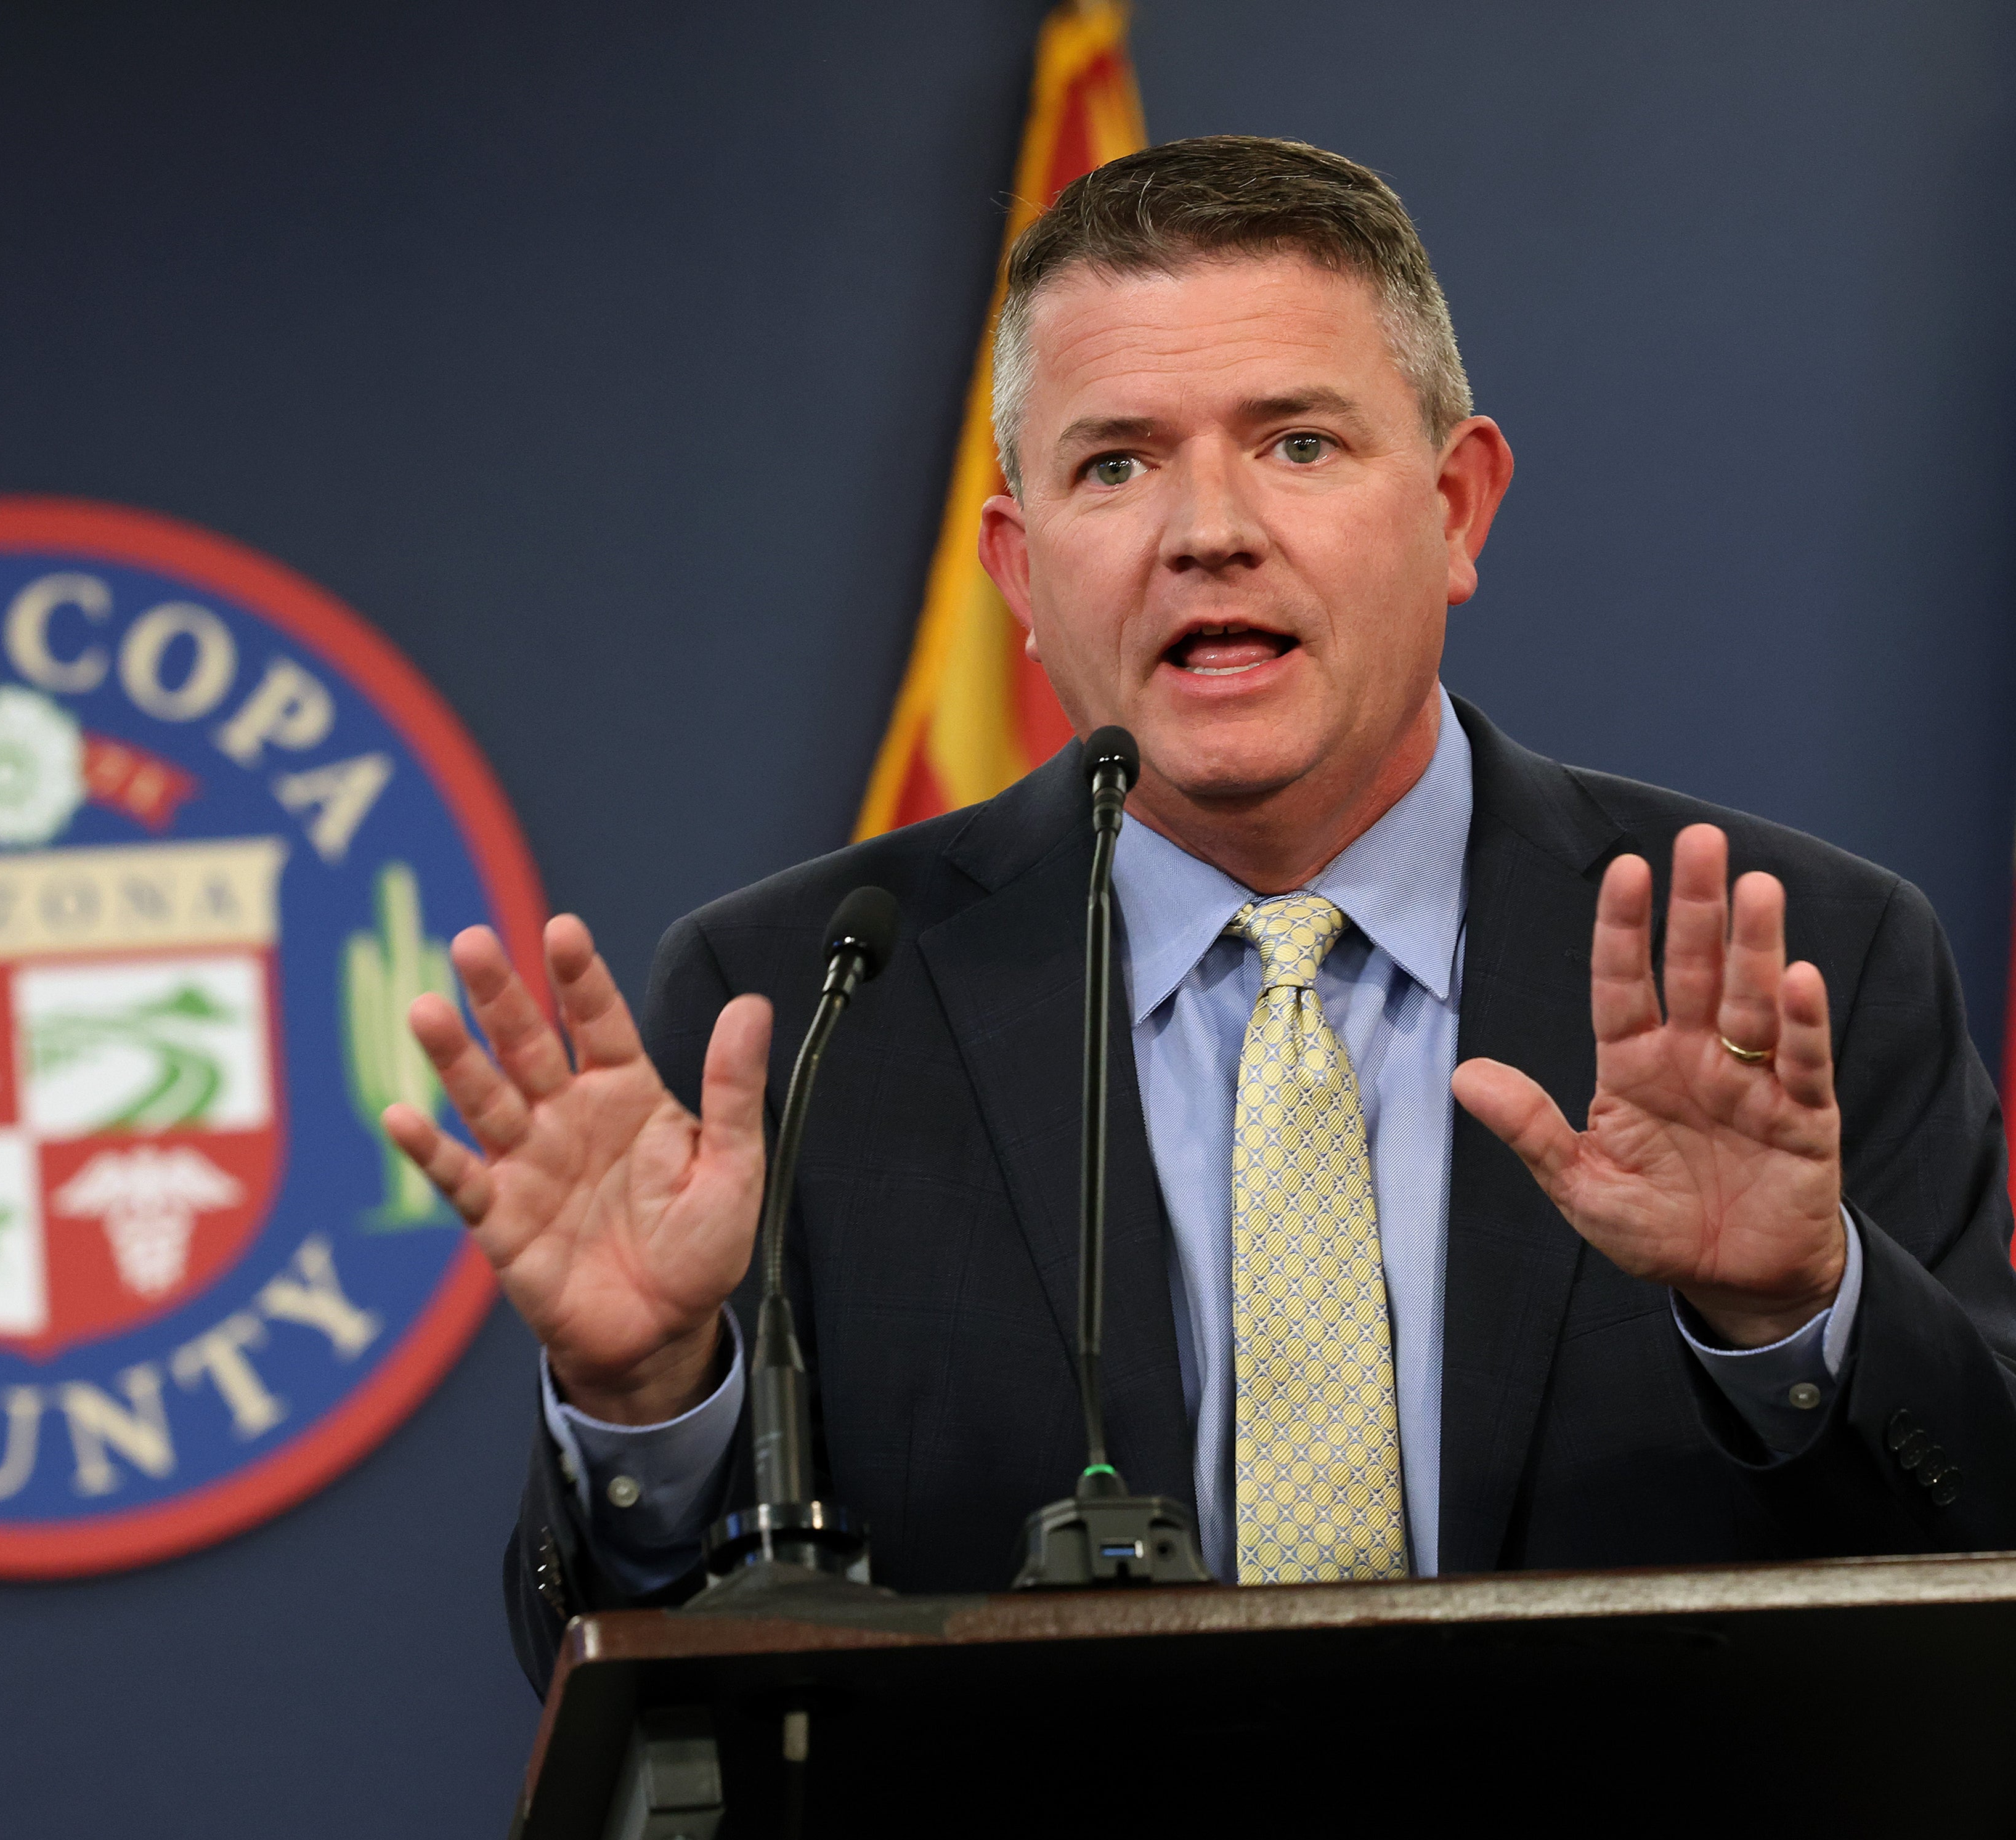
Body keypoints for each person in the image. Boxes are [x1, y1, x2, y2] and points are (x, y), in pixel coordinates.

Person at [382, 137, 2016, 1693]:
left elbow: (1982, 1560)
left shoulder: (1794, 968)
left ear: (1457, 507)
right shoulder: (806, 1004)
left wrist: (1793, 1312)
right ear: (1020, 574)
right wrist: (643, 1399)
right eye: (1117, 464)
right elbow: (650, 1685)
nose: (1209, 531)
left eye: (1298, 443)